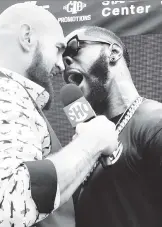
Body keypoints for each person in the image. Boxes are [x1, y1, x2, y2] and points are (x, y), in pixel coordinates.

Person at [0, 4, 118, 227]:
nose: (60, 64)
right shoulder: (1, 92)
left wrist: (78, 157)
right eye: (58, 49)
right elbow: (15, 202)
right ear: (27, 38)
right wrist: (92, 142)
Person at [63, 25, 162, 227]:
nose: (64, 61)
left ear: (114, 53)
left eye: (73, 48)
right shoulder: (84, 142)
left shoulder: (156, 124)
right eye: (61, 56)